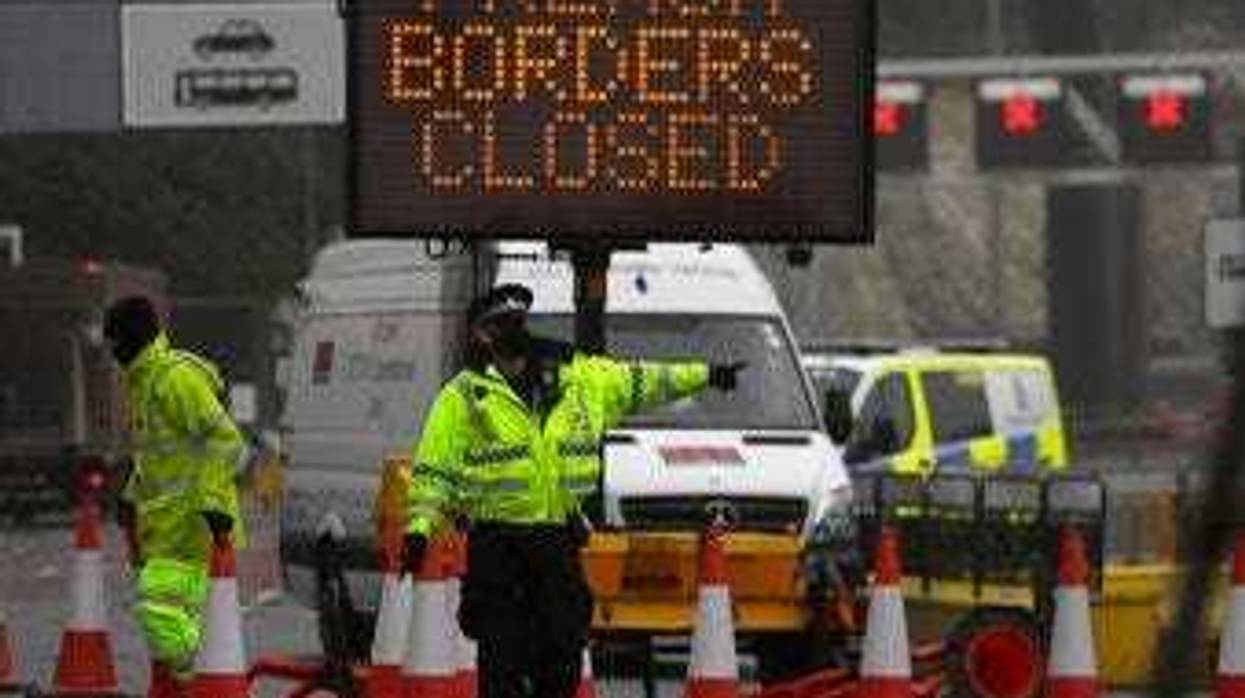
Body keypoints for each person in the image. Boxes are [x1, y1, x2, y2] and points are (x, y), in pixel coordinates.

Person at [405, 283, 746, 698]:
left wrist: (707, 375)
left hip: (556, 540)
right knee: (501, 659)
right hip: (497, 544)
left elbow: (646, 379)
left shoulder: (580, 378)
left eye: (515, 324)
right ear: (482, 336)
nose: (510, 334)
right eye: (499, 327)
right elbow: (434, 468)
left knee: (562, 650)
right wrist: (419, 529)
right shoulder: (463, 397)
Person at [105, 296, 245, 696]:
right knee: (181, 619)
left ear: (130, 337)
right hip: (167, 531)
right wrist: (131, 496)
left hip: (195, 528)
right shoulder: (145, 383)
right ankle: (205, 679)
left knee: (158, 609)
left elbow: (226, 441)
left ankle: (201, 684)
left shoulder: (174, 379)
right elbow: (158, 459)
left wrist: (214, 504)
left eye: (115, 341)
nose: (112, 352)